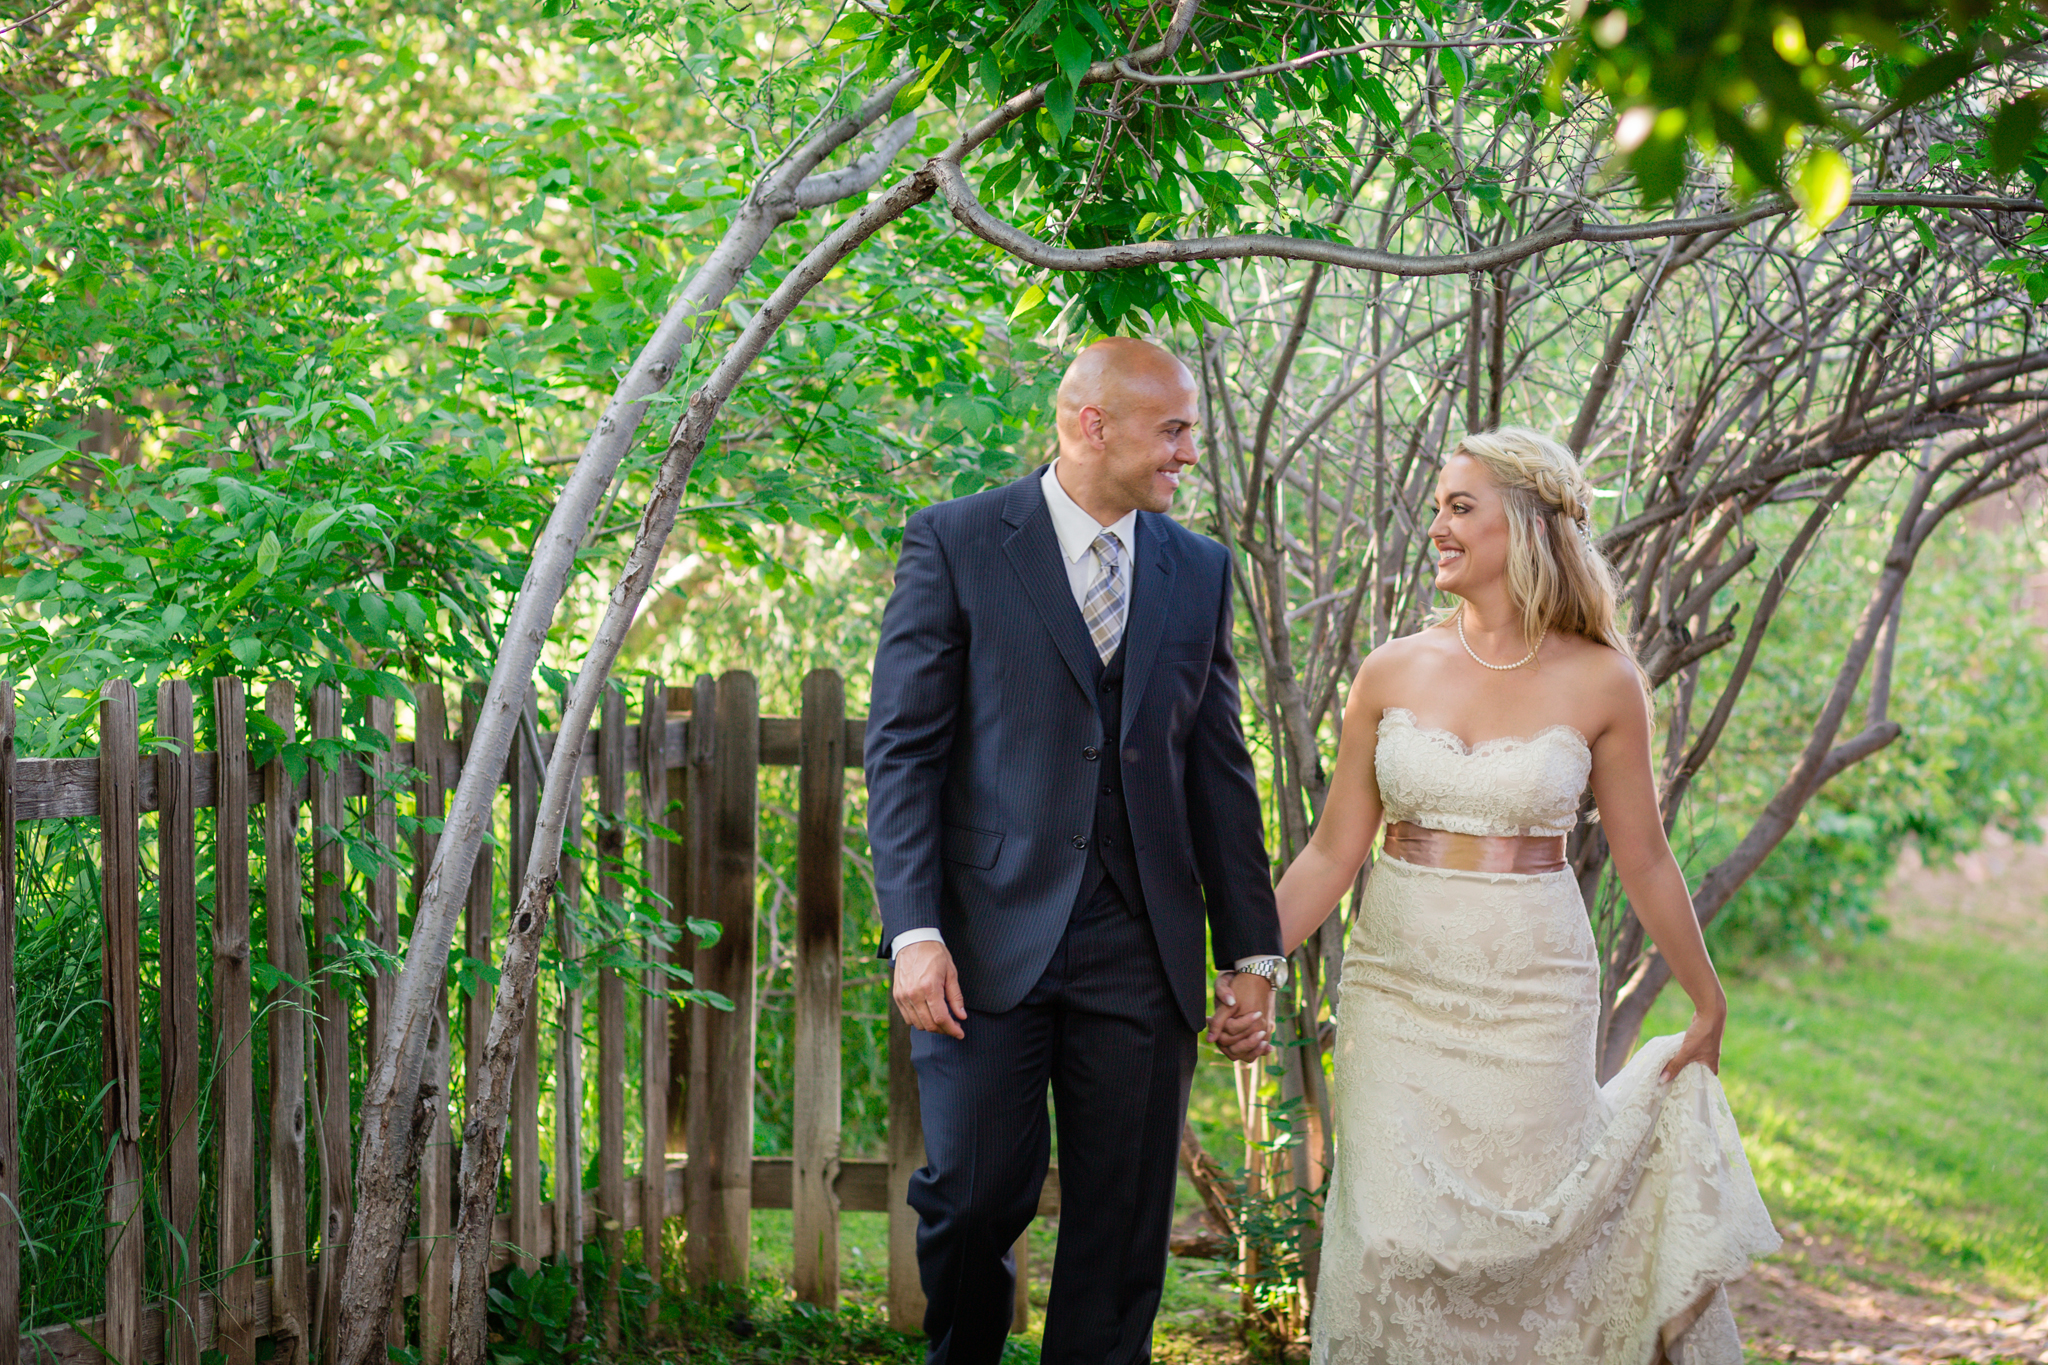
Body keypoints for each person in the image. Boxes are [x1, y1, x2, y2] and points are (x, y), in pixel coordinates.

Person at [1212, 426, 1781, 1365]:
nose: (1436, 526)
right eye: (1437, 506)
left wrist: (1708, 995)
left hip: (1534, 998)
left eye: (1459, 507)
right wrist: (1255, 965)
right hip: (1396, 992)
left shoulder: (1604, 679)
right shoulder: (1391, 670)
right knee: (1395, 1238)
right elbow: (1328, 852)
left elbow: (1642, 856)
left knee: (1523, 1242)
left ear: (1524, 526)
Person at [865, 337, 1285, 1365]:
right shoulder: (956, 542)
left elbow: (1217, 774)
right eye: (1172, 428)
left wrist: (1252, 955)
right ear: (1091, 424)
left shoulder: (1197, 569)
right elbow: (904, 753)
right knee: (969, 1201)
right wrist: (912, 931)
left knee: (1121, 1227)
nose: (1189, 451)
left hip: (1139, 944)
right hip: (979, 937)